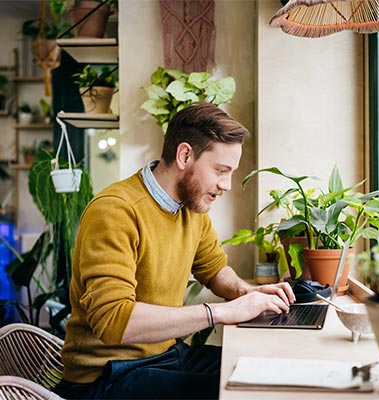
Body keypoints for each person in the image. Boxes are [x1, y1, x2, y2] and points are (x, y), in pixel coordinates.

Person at [54, 102, 295, 400]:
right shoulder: (115, 211)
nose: (227, 185)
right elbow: (114, 320)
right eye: (221, 170)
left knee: (264, 375)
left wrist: (246, 294)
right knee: (237, 394)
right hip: (105, 377)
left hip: (165, 356)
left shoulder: (192, 208)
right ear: (184, 155)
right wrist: (222, 312)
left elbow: (215, 269)